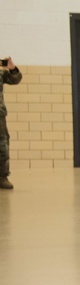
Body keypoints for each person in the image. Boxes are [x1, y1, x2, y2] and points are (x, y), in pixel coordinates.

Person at [0, 55, 22, 190]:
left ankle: (2, 176)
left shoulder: (1, 73)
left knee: (3, 146)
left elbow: (16, 79)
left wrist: (12, 68)